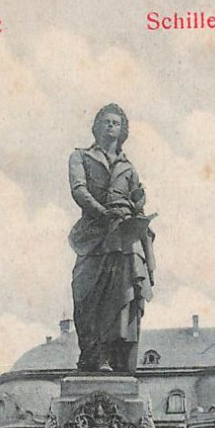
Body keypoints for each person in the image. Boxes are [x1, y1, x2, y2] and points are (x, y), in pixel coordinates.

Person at [68, 104, 155, 374]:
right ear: (96, 127)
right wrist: (102, 212)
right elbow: (79, 190)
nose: (110, 126)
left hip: (124, 236)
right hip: (93, 233)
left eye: (116, 123)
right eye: (105, 121)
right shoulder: (80, 157)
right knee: (86, 293)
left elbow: (136, 199)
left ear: (123, 131)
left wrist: (138, 204)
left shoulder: (129, 166)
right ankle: (91, 354)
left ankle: (113, 358)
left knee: (122, 296)